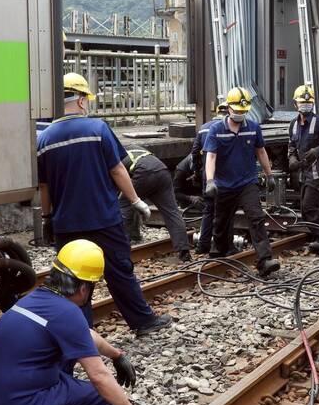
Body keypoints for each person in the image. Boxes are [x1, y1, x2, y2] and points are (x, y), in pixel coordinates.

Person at [38, 73, 171, 336]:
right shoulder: (97, 129)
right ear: (79, 100)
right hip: (103, 219)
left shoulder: (44, 139)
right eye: (86, 98)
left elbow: (44, 186)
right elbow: (118, 169)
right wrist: (136, 201)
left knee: (73, 281)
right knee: (119, 272)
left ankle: (79, 333)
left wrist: (46, 217)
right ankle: (143, 323)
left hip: (66, 224)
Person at [0, 240, 143, 405]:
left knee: (67, 354)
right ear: (83, 289)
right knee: (107, 400)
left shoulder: (33, 299)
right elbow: (98, 376)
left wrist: (117, 355)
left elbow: (82, 335)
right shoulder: (67, 312)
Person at [203, 87, 280, 277]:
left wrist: (269, 174)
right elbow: (210, 156)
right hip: (224, 185)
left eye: (243, 112)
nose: (240, 115)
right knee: (221, 221)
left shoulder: (253, 128)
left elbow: (261, 151)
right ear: (228, 108)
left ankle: (265, 260)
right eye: (237, 111)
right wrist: (210, 181)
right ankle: (219, 251)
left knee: (256, 218)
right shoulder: (216, 130)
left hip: (247, 183)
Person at [119, 146, 192, 262]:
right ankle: (184, 251)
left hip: (143, 172)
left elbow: (117, 177)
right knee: (172, 212)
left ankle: (126, 243)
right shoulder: (134, 148)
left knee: (124, 204)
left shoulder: (114, 155)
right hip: (162, 171)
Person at [287, 84, 319, 253]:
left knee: (310, 207)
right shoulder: (293, 124)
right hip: (304, 173)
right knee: (304, 209)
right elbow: (291, 145)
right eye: (302, 102)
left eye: (308, 103)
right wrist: (292, 158)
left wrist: (318, 150)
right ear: (295, 104)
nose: (305, 105)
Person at [190, 103, 228, 254]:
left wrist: (196, 172)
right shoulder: (228, 127)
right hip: (225, 175)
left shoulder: (204, 127)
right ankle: (220, 246)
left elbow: (194, 153)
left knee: (208, 210)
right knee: (224, 211)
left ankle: (203, 245)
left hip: (208, 176)